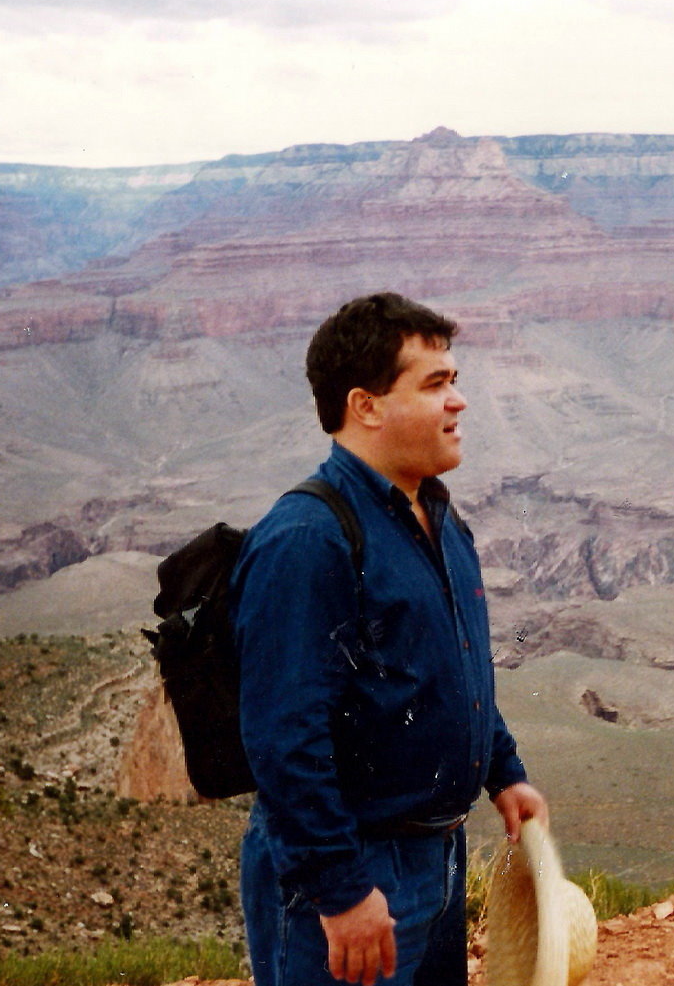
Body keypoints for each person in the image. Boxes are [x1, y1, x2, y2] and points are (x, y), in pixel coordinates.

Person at [231, 292, 547, 986]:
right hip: (355, 866)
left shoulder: (437, 515)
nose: (459, 401)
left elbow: (451, 668)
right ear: (365, 406)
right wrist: (340, 890)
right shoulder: (308, 539)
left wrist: (504, 771)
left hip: (438, 857)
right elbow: (284, 738)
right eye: (434, 385)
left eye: (454, 380)